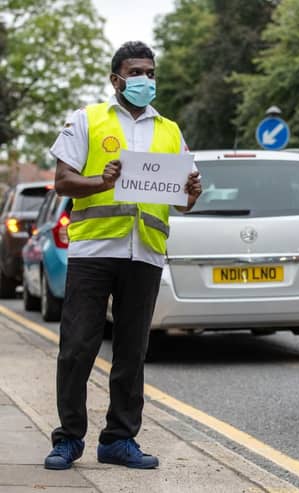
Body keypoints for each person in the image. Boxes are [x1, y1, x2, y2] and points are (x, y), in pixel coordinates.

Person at [44, 41, 202, 470]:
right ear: (116, 79)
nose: (145, 80)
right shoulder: (87, 120)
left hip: (145, 253)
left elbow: (182, 199)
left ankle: (118, 439)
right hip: (94, 250)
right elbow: (62, 182)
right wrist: (101, 180)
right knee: (77, 347)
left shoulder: (170, 130)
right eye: (135, 73)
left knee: (132, 351)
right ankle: (68, 438)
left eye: (150, 73)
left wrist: (192, 194)